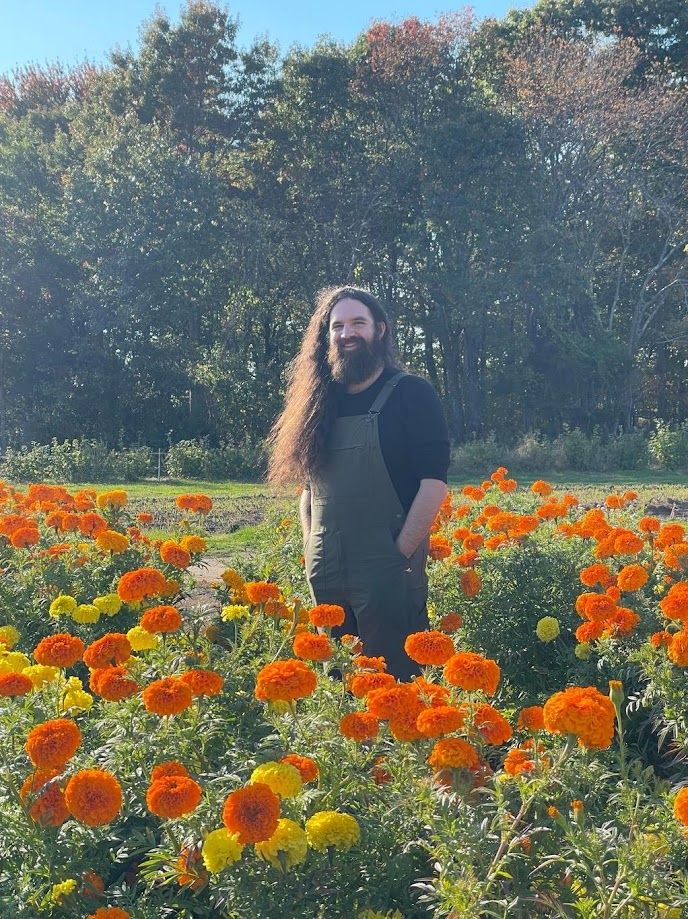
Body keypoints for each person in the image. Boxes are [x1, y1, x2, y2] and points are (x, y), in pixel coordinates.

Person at [267, 285, 449, 680]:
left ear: (379, 330)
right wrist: (311, 545)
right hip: (327, 566)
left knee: (395, 679)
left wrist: (398, 552)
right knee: (337, 682)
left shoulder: (411, 395)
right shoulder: (319, 401)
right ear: (326, 336)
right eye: (337, 326)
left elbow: (433, 484)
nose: (347, 334)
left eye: (358, 323)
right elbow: (309, 489)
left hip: (387, 565)